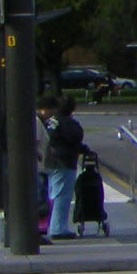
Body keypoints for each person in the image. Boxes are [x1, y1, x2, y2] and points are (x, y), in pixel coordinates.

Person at [43, 95, 86, 239]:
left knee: (53, 194)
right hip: (64, 161)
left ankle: (53, 225)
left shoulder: (52, 121)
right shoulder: (67, 123)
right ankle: (58, 228)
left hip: (51, 161)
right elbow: (75, 137)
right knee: (62, 195)